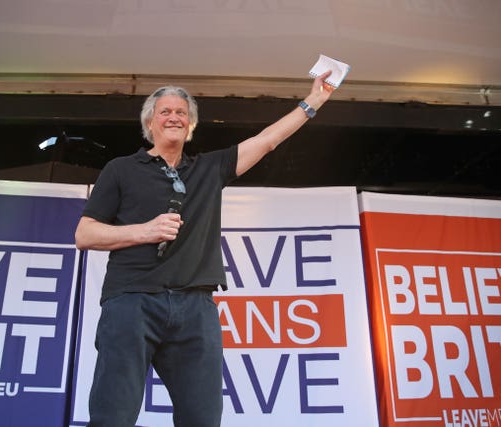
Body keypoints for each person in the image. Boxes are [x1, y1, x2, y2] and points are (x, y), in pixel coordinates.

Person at [75, 69, 334, 427]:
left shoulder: (209, 168)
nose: (174, 117)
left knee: (204, 419)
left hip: (195, 307)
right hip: (131, 302)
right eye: (165, 111)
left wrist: (312, 103)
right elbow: (84, 235)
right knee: (112, 417)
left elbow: (266, 141)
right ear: (150, 122)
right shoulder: (121, 169)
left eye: (182, 112)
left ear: (190, 126)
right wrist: (145, 231)